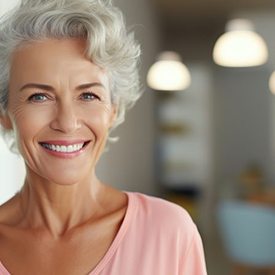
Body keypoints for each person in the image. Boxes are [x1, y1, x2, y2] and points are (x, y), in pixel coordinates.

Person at [0, 0, 207, 274]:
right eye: (39, 96)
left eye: (88, 95)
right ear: (4, 113)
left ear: (113, 110)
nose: (67, 122)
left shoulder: (169, 232)